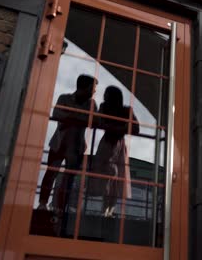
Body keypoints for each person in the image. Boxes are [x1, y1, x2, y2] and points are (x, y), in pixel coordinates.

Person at [38, 74, 97, 213]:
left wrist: (71, 116)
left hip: (76, 146)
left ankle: (60, 207)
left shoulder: (91, 104)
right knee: (51, 173)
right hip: (59, 143)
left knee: (69, 178)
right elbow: (57, 114)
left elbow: (94, 122)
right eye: (92, 88)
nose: (94, 91)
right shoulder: (64, 98)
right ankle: (42, 204)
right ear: (84, 88)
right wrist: (80, 118)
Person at [88, 85, 138, 217]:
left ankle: (108, 209)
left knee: (114, 174)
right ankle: (107, 209)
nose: (104, 96)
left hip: (115, 143)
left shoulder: (123, 110)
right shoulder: (115, 108)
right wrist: (120, 127)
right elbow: (96, 121)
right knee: (111, 173)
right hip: (112, 142)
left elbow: (136, 128)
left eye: (106, 94)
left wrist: (115, 127)